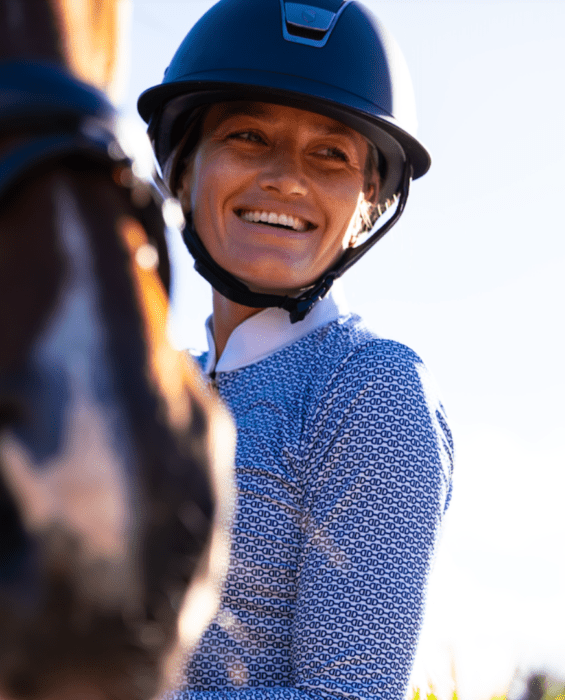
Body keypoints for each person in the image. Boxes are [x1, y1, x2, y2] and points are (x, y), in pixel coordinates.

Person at [138, 1, 453, 698]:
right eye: (249, 136)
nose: (287, 177)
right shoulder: (142, 393)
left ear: (369, 198)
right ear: (182, 169)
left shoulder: (372, 391)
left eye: (331, 153)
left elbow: (350, 695)